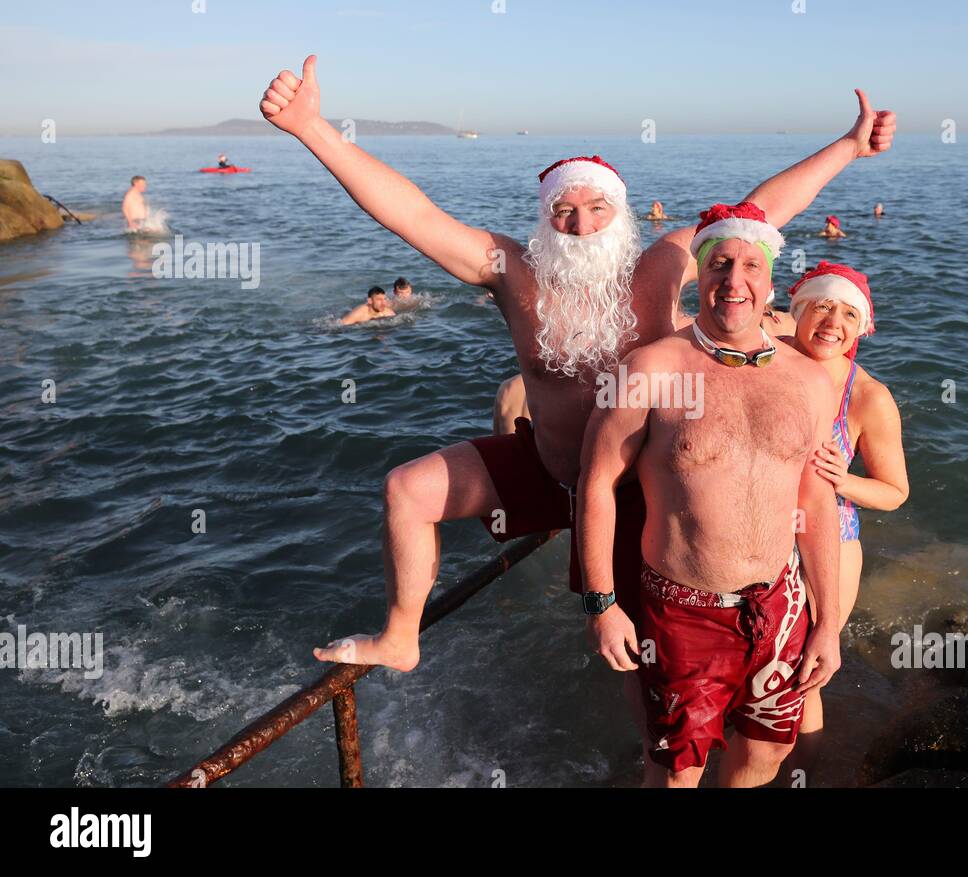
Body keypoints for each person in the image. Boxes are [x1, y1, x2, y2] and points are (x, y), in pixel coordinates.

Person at [257, 54, 895, 675]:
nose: (581, 225)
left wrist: (848, 147)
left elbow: (759, 212)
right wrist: (313, 128)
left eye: (597, 210)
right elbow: (413, 214)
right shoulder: (513, 272)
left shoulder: (661, 266)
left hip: (644, 493)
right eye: (564, 211)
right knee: (406, 490)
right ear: (545, 218)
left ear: (621, 216)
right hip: (553, 469)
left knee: (650, 669)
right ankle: (401, 636)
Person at [578, 203, 843, 787]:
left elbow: (817, 503)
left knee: (766, 755)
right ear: (699, 276)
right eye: (719, 263)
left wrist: (829, 623)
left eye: (751, 265)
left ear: (770, 281)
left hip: (781, 605)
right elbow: (595, 485)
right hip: (681, 615)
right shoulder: (650, 369)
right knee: (676, 774)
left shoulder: (808, 380)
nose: (734, 279)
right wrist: (602, 604)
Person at [779, 261, 908, 781]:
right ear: (798, 313)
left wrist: (843, 479)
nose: (833, 321)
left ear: (862, 328)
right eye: (822, 306)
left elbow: (895, 492)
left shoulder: (867, 397)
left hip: (830, 538)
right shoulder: (766, 358)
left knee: (803, 675)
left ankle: (798, 778)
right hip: (757, 529)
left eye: (849, 313)